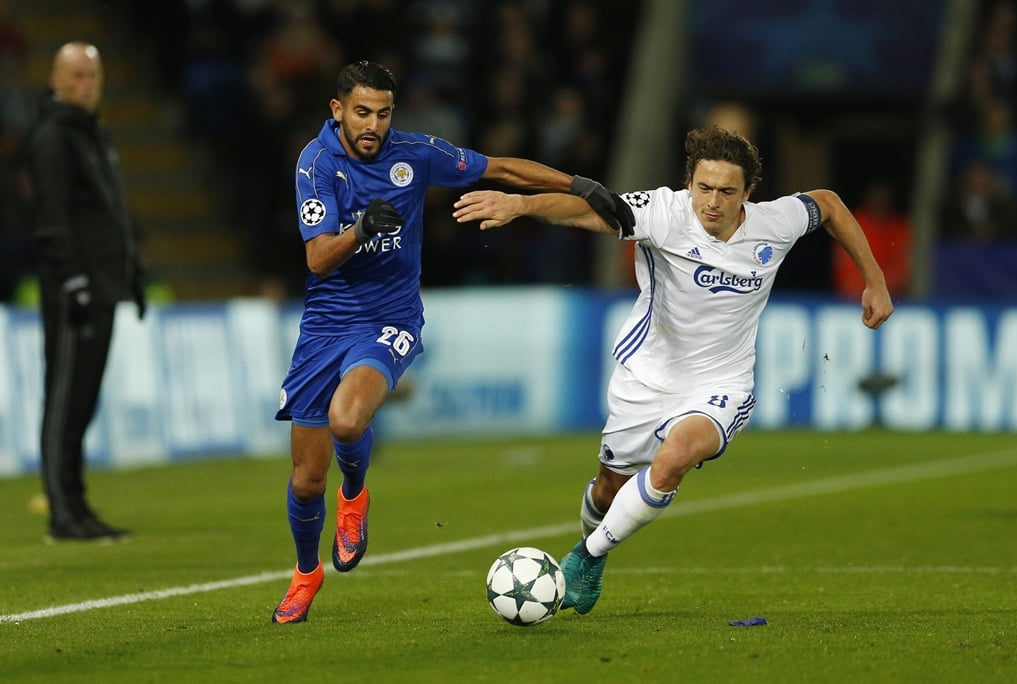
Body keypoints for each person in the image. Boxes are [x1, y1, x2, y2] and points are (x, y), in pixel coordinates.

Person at [453, 125, 894, 614]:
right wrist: (522, 206)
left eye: (727, 191)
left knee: (676, 456)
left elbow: (829, 203)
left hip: (723, 383)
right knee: (607, 488)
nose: (712, 202)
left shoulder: (776, 222)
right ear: (689, 184)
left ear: (749, 193)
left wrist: (874, 281)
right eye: (704, 188)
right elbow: (589, 210)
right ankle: (597, 546)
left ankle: (585, 557)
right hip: (645, 377)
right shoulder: (662, 212)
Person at [271, 60, 576, 624]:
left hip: (391, 317)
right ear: (337, 110)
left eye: (383, 114)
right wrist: (361, 228)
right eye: (362, 112)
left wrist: (579, 185)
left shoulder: (413, 153)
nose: (373, 125)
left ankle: (355, 495)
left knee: (346, 421)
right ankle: (305, 572)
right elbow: (316, 259)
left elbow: (501, 168)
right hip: (325, 324)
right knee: (307, 478)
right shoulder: (314, 164)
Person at [25, 42, 146, 542]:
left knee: (83, 401)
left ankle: (77, 505)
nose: (85, 85)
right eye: (75, 76)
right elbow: (52, 218)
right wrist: (72, 279)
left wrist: (130, 272)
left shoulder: (92, 134)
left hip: (101, 283)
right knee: (65, 400)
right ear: (55, 80)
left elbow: (109, 214)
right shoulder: (54, 136)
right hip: (73, 287)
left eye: (92, 76)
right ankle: (62, 513)